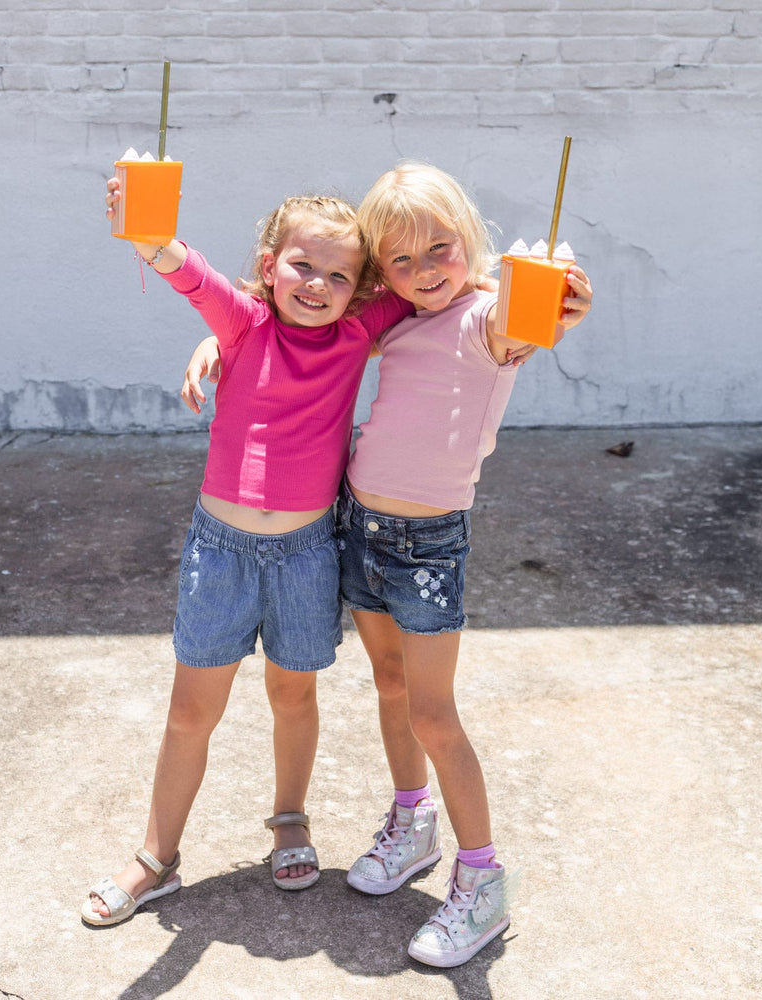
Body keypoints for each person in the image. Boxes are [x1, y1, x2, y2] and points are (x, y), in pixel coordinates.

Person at [81, 181, 416, 926]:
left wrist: (529, 293)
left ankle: (289, 818)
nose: (319, 287)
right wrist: (149, 239)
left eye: (339, 276)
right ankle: (155, 858)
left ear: (358, 288)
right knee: (191, 711)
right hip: (221, 552)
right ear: (269, 266)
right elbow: (186, 271)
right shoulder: (240, 324)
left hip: (305, 553)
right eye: (303, 266)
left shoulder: (358, 331)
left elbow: (438, 287)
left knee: (293, 694)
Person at [333, 162, 593, 967]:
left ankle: (482, 883)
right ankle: (413, 825)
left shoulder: (488, 317)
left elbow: (530, 322)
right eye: (402, 261)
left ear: (467, 241)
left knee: (434, 714)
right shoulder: (398, 319)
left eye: (439, 249)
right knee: (388, 685)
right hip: (360, 526)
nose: (424, 272)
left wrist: (556, 302)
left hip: (427, 548)